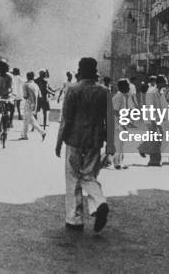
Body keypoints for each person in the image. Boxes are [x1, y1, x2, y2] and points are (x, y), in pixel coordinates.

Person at [56, 57, 112, 232]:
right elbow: (110, 120)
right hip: (95, 141)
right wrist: (110, 144)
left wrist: (58, 142)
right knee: (89, 175)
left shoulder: (73, 90)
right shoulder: (104, 92)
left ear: (80, 72)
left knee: (73, 177)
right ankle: (99, 201)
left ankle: (74, 219)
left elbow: (66, 119)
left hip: (74, 139)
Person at [139, 75, 166, 166]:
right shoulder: (151, 91)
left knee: (157, 138)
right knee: (155, 138)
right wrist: (155, 121)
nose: (166, 84)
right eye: (164, 82)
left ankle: (144, 149)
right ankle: (154, 160)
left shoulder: (159, 92)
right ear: (160, 83)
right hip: (151, 119)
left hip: (157, 118)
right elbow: (150, 107)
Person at [111, 79, 133, 170]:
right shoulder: (119, 96)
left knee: (121, 144)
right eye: (127, 86)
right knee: (118, 144)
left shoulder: (122, 96)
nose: (128, 88)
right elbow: (115, 111)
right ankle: (116, 163)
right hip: (117, 124)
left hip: (120, 123)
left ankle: (119, 162)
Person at [19, 71, 46, 141]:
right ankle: (25, 135)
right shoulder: (35, 85)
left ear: (27, 77)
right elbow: (40, 96)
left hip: (28, 103)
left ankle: (40, 132)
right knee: (29, 119)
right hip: (34, 104)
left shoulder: (26, 85)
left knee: (27, 119)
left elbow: (25, 96)